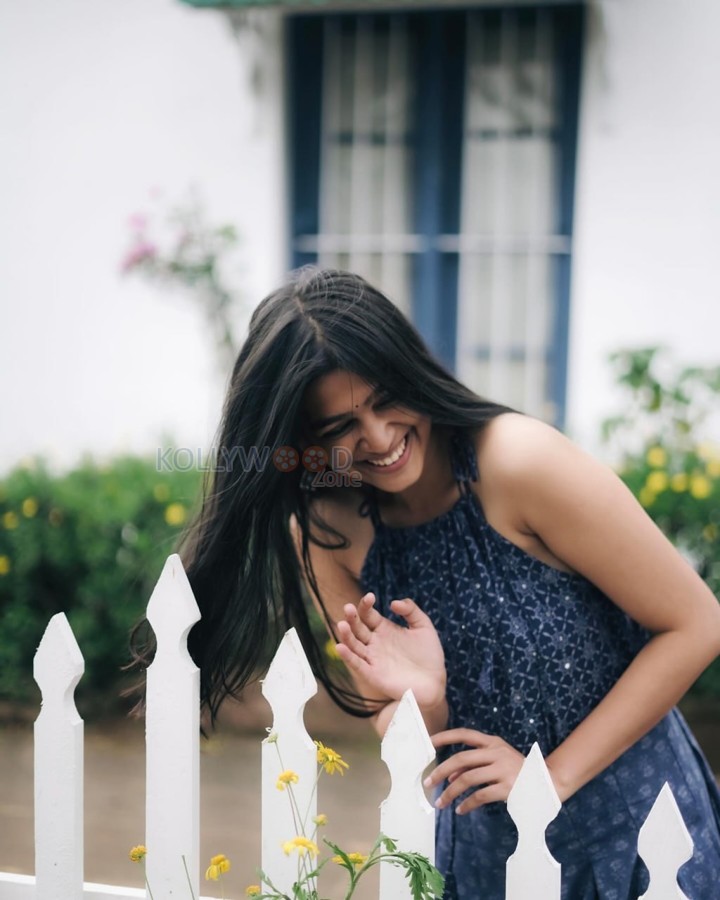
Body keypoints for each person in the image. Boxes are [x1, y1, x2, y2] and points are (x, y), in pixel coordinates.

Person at [143, 267, 720, 898]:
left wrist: (551, 778)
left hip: (639, 839)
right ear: (303, 438)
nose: (381, 439)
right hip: (484, 863)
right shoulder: (326, 528)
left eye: (387, 399)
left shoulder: (518, 463)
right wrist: (426, 700)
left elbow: (695, 624)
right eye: (339, 428)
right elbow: (405, 742)